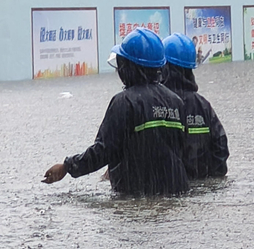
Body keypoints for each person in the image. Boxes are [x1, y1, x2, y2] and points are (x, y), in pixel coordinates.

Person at [42, 28, 190, 195]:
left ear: (128, 67)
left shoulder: (124, 102)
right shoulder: (176, 101)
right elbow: (181, 150)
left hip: (136, 197)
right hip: (177, 192)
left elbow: (103, 151)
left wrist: (68, 166)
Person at [163, 33, 229, 179]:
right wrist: (211, 178)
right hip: (201, 185)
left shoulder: (158, 104)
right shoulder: (203, 105)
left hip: (171, 188)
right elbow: (221, 146)